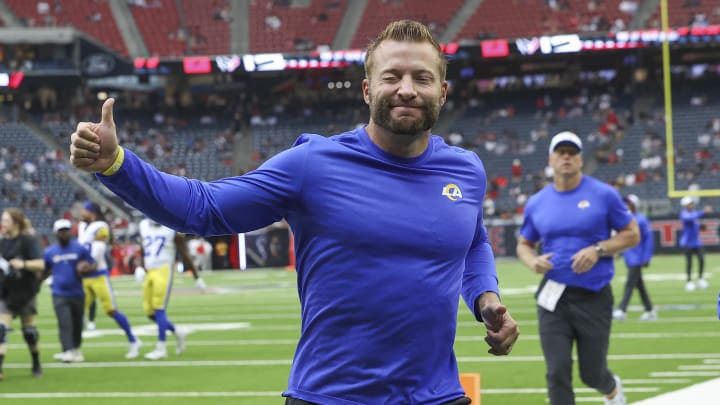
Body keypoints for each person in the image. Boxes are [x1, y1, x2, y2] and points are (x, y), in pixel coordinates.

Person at [69, 19, 519, 404]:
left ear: (442, 91)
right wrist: (117, 164)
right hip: (329, 396)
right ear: (366, 89)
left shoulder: (466, 170)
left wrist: (486, 298)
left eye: (421, 78)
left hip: (437, 395)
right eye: (391, 76)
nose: (406, 89)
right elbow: (203, 209)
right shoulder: (313, 164)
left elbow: (473, 239)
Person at [516, 131, 640, 405]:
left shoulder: (604, 194)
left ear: (581, 159)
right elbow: (524, 244)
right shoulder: (537, 202)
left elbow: (632, 234)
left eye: (572, 152)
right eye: (561, 152)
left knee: (592, 373)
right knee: (557, 370)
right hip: (553, 296)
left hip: (593, 295)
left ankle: (611, 389)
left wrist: (598, 249)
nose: (566, 157)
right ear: (551, 158)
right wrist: (532, 261)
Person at [77, 201, 142, 358]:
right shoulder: (82, 227)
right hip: (84, 277)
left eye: (84, 211)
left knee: (111, 310)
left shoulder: (100, 226)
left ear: (91, 212)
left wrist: (87, 265)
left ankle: (133, 341)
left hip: (98, 274)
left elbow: (98, 250)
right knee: (77, 312)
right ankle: (74, 349)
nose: (81, 213)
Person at [136, 218, 193, 359]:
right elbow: (143, 248)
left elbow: (183, 251)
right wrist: (139, 266)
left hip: (164, 269)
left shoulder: (172, 227)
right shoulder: (143, 225)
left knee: (159, 309)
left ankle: (161, 348)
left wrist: (196, 276)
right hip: (150, 270)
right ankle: (176, 331)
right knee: (149, 312)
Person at [0, 208, 44, 380]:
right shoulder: (2, 242)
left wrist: (23, 264)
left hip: (26, 292)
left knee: (30, 332)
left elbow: (41, 263)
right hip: (5, 292)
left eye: (6, 220)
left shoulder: (28, 241)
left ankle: (36, 363)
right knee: (1, 330)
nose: (3, 223)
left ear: (16, 223)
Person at [43, 219, 95, 363]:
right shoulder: (49, 251)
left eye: (66, 230)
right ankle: (67, 350)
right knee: (64, 322)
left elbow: (92, 263)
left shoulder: (79, 248)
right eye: (61, 231)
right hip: (59, 293)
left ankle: (76, 348)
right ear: (56, 233)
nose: (64, 233)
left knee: (77, 323)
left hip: (77, 292)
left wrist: (86, 268)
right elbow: (44, 270)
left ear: (71, 231)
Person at [612, 194, 656, 321]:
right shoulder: (626, 220)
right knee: (639, 285)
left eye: (629, 203)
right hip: (629, 256)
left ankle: (622, 309)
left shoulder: (641, 220)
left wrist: (646, 257)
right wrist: (618, 252)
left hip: (637, 257)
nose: (626, 205)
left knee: (630, 284)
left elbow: (648, 240)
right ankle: (649, 310)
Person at [679, 196, 712, 291]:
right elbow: (689, 219)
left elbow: (694, 223)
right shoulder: (684, 213)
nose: (692, 205)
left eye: (692, 203)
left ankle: (700, 279)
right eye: (690, 204)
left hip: (696, 242)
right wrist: (703, 212)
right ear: (685, 205)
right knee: (689, 263)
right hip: (687, 242)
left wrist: (701, 226)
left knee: (701, 260)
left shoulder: (694, 213)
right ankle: (689, 281)